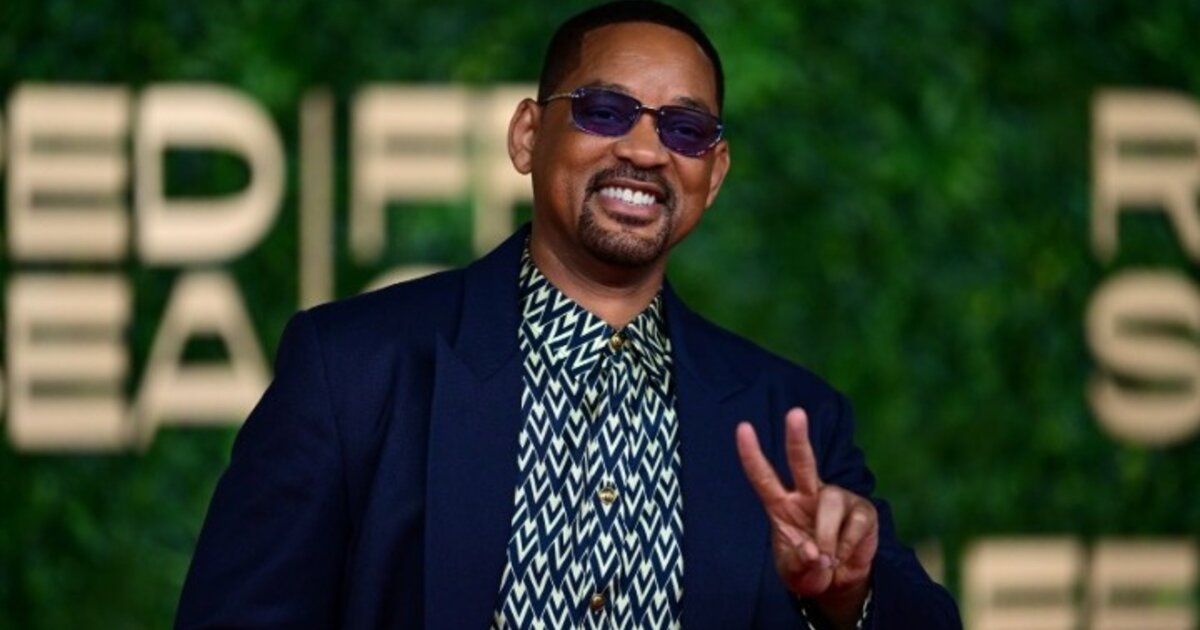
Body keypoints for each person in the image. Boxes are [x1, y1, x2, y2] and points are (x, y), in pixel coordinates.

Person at [176, 2, 961, 628]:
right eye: (606, 110)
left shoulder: (792, 420)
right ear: (528, 135)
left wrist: (847, 601)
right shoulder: (351, 369)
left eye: (685, 129)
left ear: (714, 173)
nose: (645, 151)